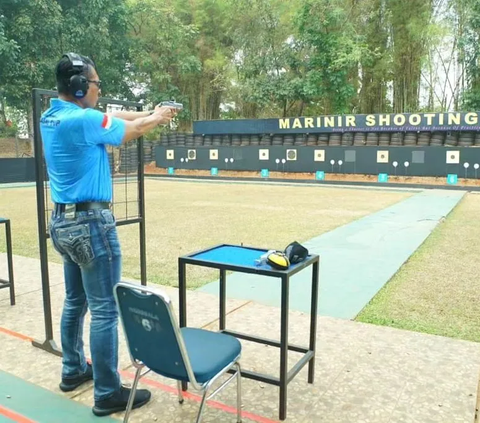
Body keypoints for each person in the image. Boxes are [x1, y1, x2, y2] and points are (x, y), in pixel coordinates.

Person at [40, 52, 176, 417]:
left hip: (62, 223)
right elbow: (129, 131)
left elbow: (112, 118)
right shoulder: (83, 121)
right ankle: (107, 391)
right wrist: (156, 119)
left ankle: (72, 370)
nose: (98, 89)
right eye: (96, 83)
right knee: (103, 311)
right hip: (91, 225)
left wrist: (149, 110)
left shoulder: (53, 116)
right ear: (80, 87)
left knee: (75, 302)